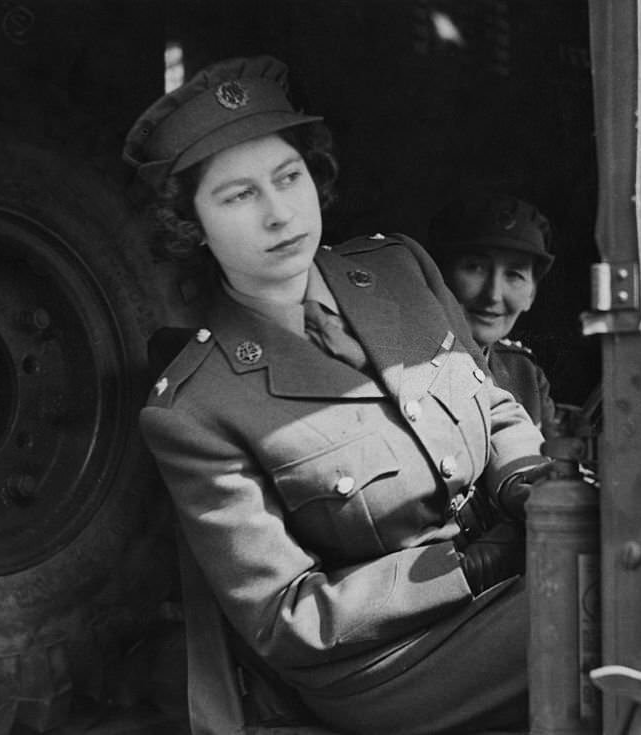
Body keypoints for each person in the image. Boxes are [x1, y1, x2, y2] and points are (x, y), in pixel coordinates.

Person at [123, 56, 547, 735]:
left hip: (514, 584)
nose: (277, 213)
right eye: (238, 196)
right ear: (191, 224)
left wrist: (528, 482)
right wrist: (467, 566)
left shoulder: (400, 269)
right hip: (388, 664)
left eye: (288, 178)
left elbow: (492, 406)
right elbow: (286, 614)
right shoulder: (194, 408)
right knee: (610, 594)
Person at [427, 193, 556, 431]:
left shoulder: (526, 377)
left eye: (514, 275)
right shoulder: (404, 366)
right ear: (440, 276)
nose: (493, 295)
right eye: (475, 268)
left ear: (531, 296)